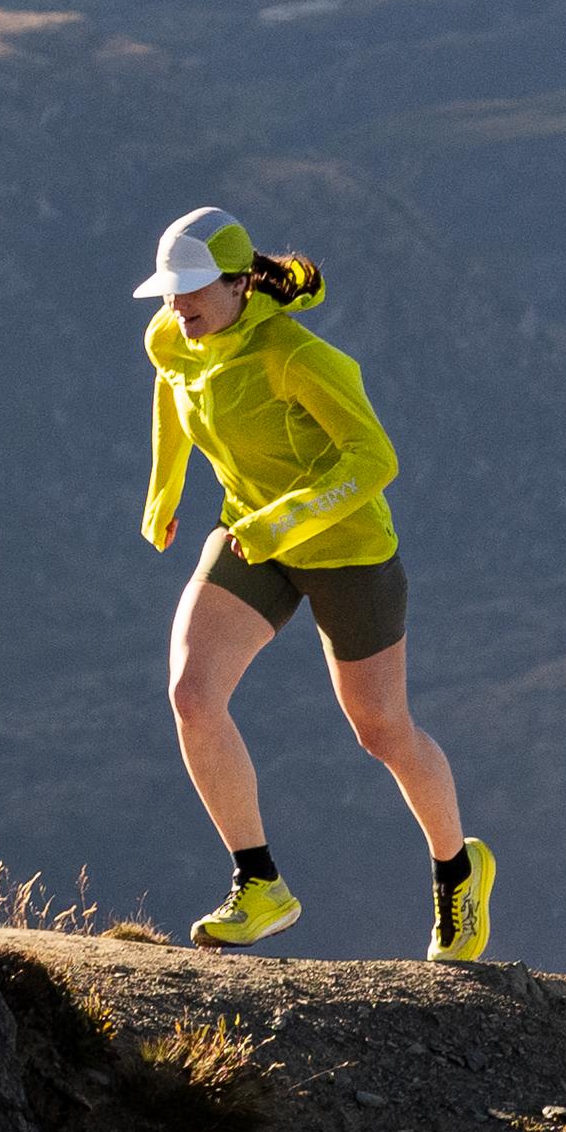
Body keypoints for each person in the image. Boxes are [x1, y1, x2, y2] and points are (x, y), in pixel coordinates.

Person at [140, 205, 493, 959]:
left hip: (347, 550)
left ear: (239, 283)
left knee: (382, 730)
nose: (178, 306)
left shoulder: (296, 356)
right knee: (191, 697)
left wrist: (282, 522)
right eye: (169, 290)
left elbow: (375, 460)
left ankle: (459, 871)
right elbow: (173, 390)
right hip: (251, 534)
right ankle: (259, 883)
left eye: (193, 288)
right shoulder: (173, 336)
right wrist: (163, 492)